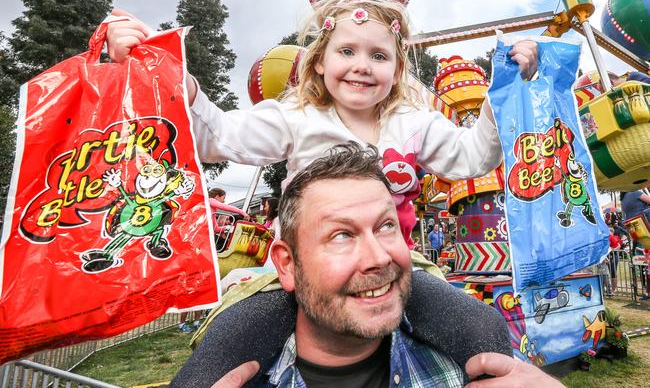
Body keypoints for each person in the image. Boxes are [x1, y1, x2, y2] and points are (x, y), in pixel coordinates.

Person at [108, 0, 537, 381]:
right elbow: (216, 137)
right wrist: (170, 73)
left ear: (398, 67)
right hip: (301, 275)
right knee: (228, 341)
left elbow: (473, 158)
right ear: (319, 61)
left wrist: (503, 94)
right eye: (346, 51)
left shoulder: (413, 122)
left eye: (378, 56)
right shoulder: (295, 116)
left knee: (476, 324)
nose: (361, 66)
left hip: (390, 267)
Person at [200, 144, 562, 387]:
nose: (378, 258)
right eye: (341, 235)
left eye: (386, 226)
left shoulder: (469, 366)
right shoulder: (238, 374)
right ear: (287, 264)